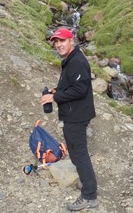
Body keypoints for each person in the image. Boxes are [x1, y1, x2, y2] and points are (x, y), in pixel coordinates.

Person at [40, 28, 98, 211]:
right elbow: (73, 85)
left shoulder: (78, 61)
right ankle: (87, 183)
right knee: (75, 152)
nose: (58, 45)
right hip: (74, 113)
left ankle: (89, 195)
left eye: (62, 41)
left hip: (77, 116)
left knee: (79, 153)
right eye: (56, 42)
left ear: (71, 41)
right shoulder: (71, 59)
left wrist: (54, 98)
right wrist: (57, 91)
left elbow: (80, 89)